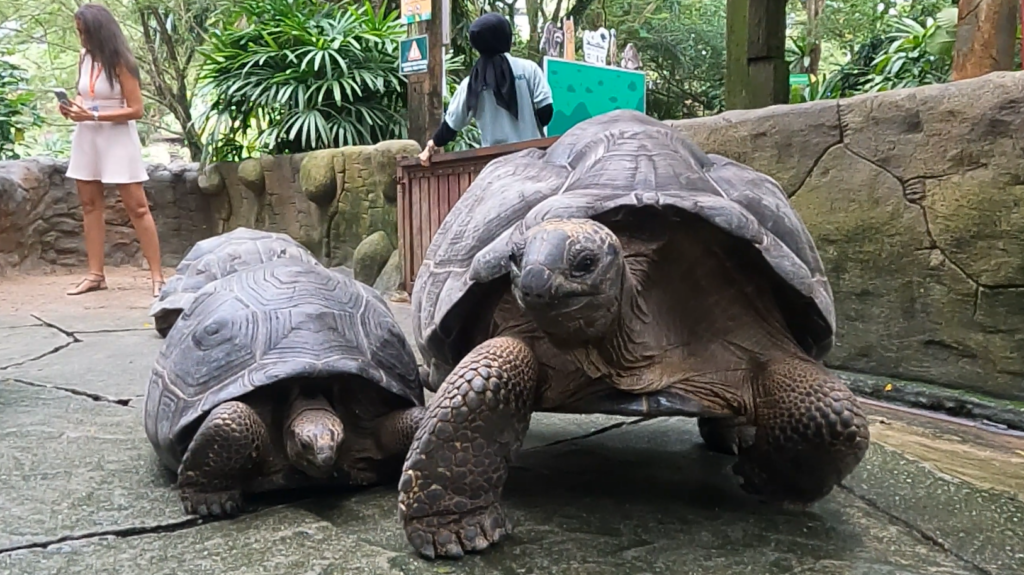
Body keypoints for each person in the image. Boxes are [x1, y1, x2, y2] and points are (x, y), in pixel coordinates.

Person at [59, 3, 165, 297]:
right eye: (78, 32)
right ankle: (95, 274)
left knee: (137, 206)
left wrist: (94, 116)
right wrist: (73, 107)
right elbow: (85, 93)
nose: (81, 38)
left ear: (98, 31)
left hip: (117, 136)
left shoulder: (121, 61)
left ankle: (158, 277)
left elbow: (136, 110)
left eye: (84, 32)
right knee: (90, 205)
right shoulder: (84, 58)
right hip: (87, 136)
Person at [419, 13, 554, 164]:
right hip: (533, 158)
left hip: (494, 165)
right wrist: (525, 126)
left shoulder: (471, 83)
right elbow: (546, 112)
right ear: (506, 37)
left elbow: (450, 127)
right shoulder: (529, 69)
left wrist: (432, 145)